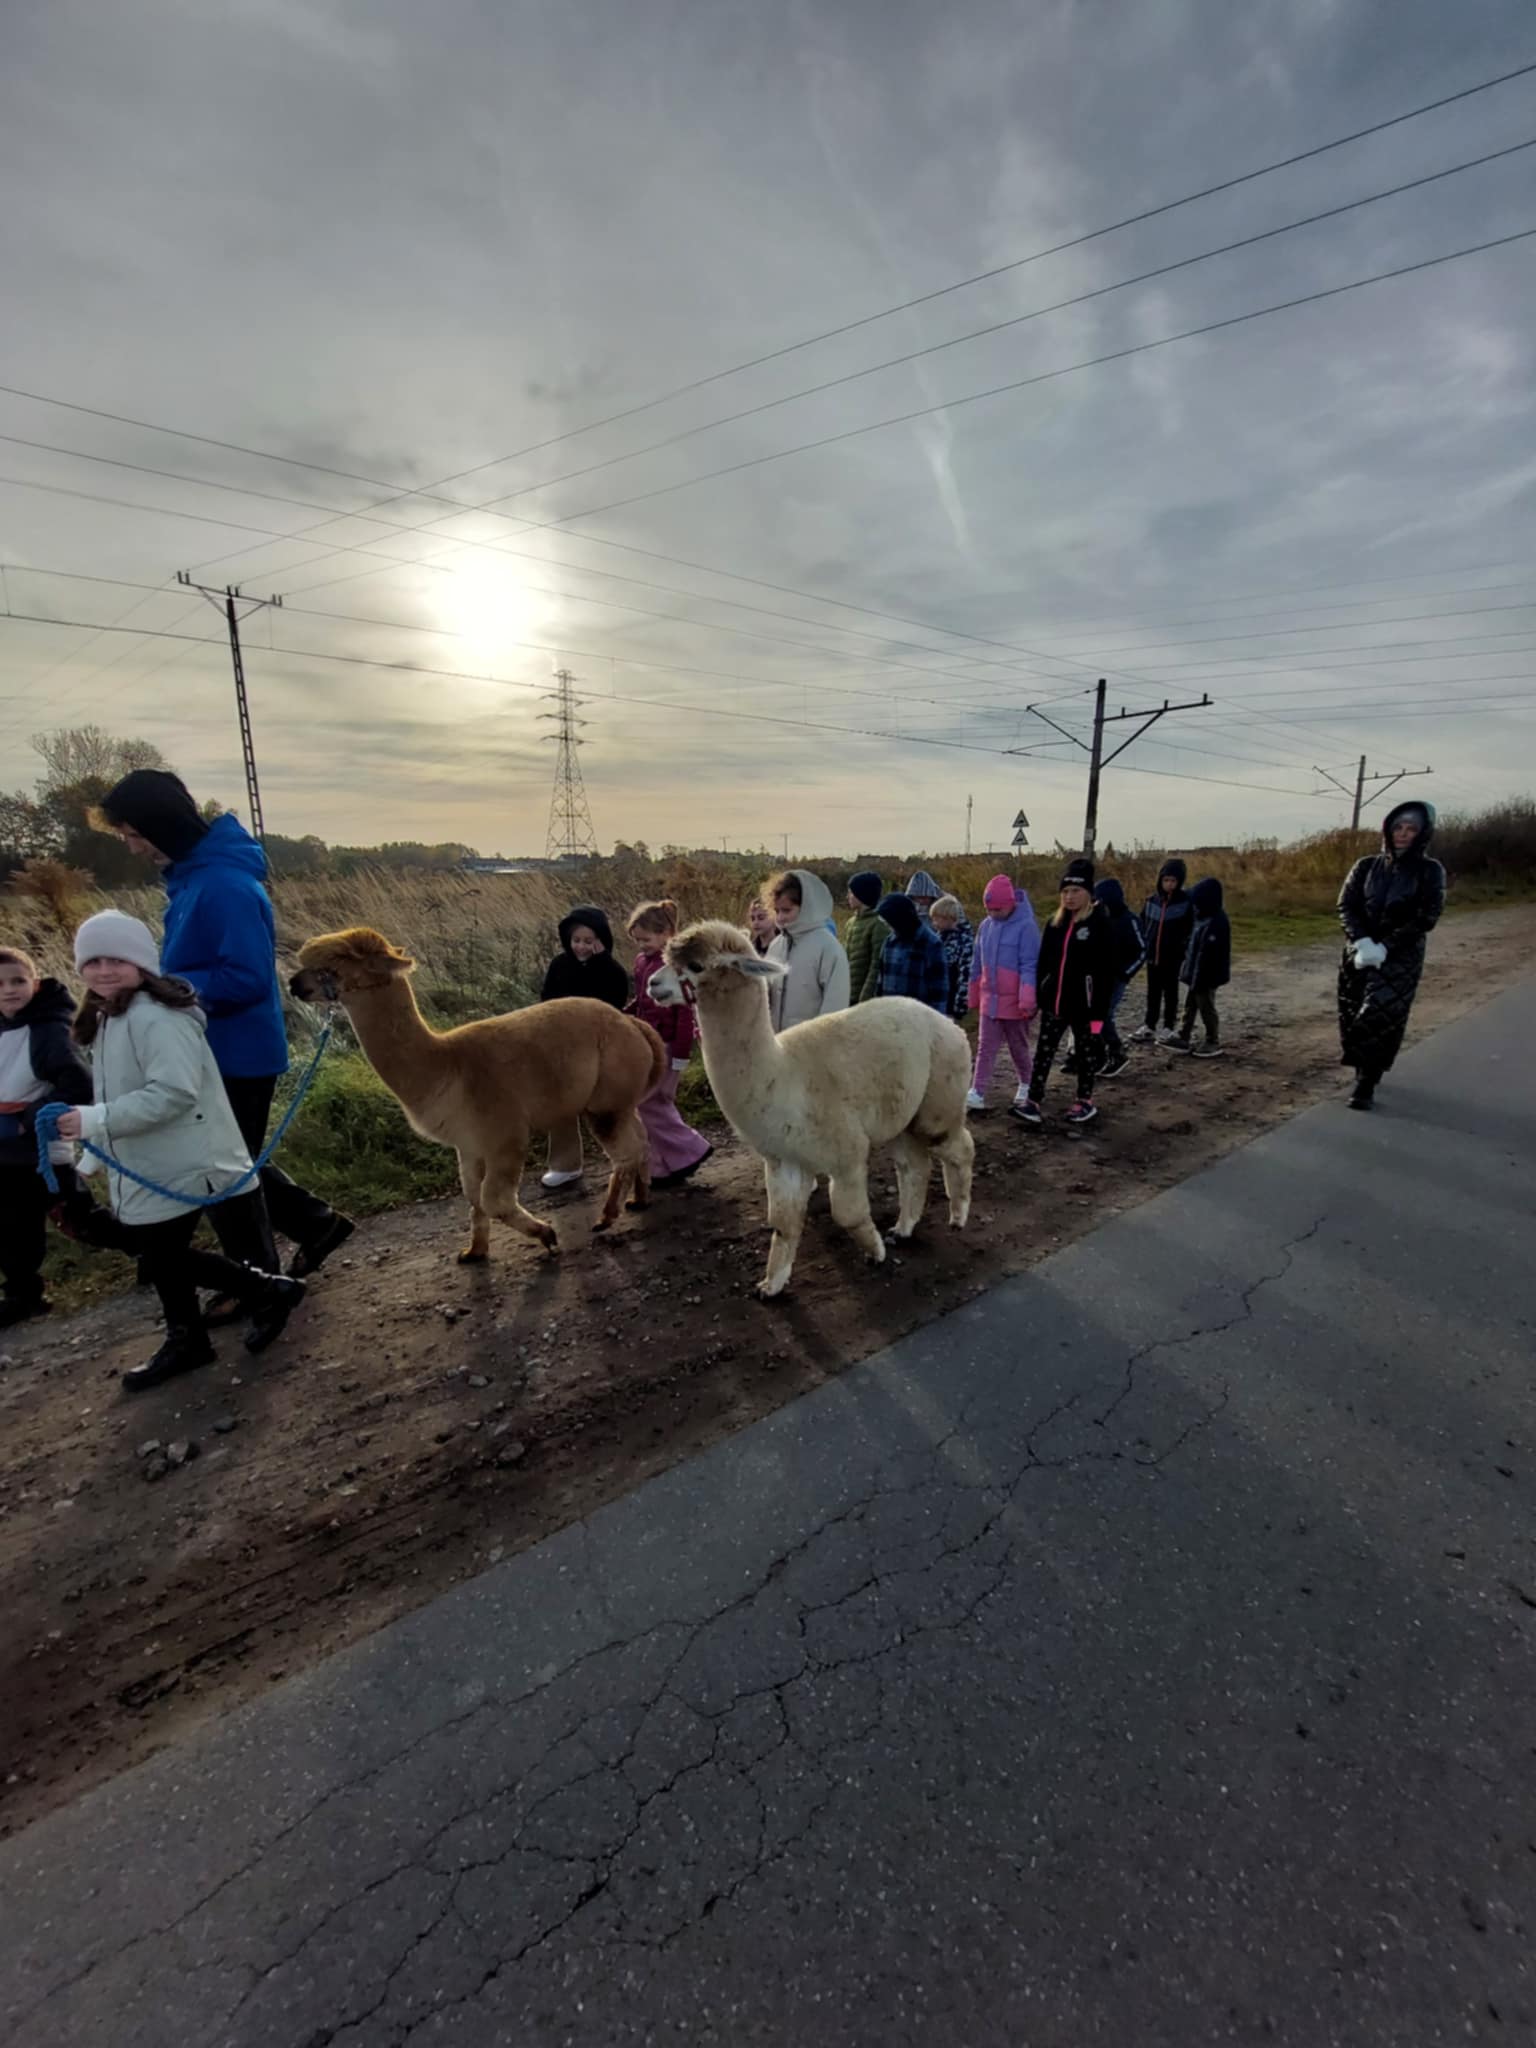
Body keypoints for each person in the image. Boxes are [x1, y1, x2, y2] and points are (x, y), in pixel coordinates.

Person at [97, 770, 353, 1289]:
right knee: (231, 1162)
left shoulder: (225, 886)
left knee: (223, 1173)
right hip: (208, 1050)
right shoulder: (192, 879)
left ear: (159, 825)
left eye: (132, 833)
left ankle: (257, 1285)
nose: (131, 846)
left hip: (240, 1055)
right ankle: (315, 1229)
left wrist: (158, 985)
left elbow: (247, 978)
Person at [54, 912, 305, 1391]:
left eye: (117, 960)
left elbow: (173, 1092)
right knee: (160, 1255)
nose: (105, 970)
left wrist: (92, 1122)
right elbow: (114, 1093)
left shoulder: (155, 1016)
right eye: (94, 961)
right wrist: (91, 1153)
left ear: (142, 964)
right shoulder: (111, 1016)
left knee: (161, 1255)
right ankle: (191, 1334)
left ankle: (266, 1290)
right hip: (150, 1159)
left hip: (188, 1156)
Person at [0, 947, 92, 1327]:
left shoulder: (48, 1030)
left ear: (34, 985)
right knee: (11, 1227)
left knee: (81, 1218)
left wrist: (30, 1118)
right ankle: (24, 1295)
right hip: (5, 1154)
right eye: (0, 984)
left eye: (18, 981)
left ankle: (154, 1254)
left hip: (40, 1152)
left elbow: (79, 1083)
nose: (9, 990)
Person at [1337, 800, 1446, 1110]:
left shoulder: (1430, 871)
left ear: (1423, 833)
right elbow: (1346, 905)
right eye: (1398, 826)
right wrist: (1360, 941)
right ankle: (1362, 1068)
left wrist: (1386, 946)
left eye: (1411, 828)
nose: (1403, 833)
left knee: (1381, 1014)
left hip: (1400, 956)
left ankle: (1366, 1082)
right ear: (1388, 828)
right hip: (1358, 952)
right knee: (1352, 1012)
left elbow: (1428, 915)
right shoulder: (1365, 866)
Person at [1015, 859, 1115, 1128]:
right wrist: (1038, 994)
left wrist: (1099, 1016)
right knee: (1044, 1053)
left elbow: (1106, 974)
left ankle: (1085, 1100)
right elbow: (1044, 963)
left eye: (1076, 892)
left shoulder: (1099, 924)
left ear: (1089, 894)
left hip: (1086, 1007)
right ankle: (1033, 1102)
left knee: (1086, 1054)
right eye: (1066, 892)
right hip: (1054, 1004)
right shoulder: (1054, 924)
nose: (1070, 897)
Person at [538, 905, 630, 1189]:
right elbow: (546, 1001)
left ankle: (629, 1157)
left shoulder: (612, 970)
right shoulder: (559, 965)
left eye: (588, 941)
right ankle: (565, 1165)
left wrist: (601, 963)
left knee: (605, 1107)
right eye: (577, 940)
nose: (581, 946)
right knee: (561, 1107)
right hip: (562, 1047)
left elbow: (615, 1001)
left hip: (598, 1048)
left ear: (600, 941)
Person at [626, 899, 713, 1188]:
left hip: (665, 1046)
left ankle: (691, 1150)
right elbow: (641, 998)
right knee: (646, 1105)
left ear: (666, 934)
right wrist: (624, 1014)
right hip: (645, 1043)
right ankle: (662, 1166)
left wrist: (679, 1056)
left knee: (654, 1102)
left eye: (647, 940)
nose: (642, 946)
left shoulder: (673, 967)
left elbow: (685, 1014)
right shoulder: (641, 963)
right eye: (637, 941)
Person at [965, 876, 1039, 1114]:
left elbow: (1030, 965)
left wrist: (1028, 998)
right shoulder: (985, 926)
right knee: (985, 1047)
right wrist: (974, 992)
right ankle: (977, 1090)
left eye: (998, 909)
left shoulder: (1026, 927)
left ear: (1010, 904)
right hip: (991, 1001)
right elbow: (977, 962)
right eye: (989, 909)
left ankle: (1027, 1083)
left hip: (1016, 1004)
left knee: (1019, 1047)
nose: (993, 913)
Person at [766, 871, 850, 1030]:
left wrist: (820, 1045)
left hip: (811, 1047)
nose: (780, 918)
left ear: (805, 907)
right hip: (777, 1045)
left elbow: (835, 1007)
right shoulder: (776, 946)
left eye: (786, 910)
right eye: (776, 911)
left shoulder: (829, 948)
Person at [1132, 859, 1194, 1044]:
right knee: (1153, 993)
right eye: (1166, 880)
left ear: (1180, 882)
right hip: (1152, 956)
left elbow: (1189, 930)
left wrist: (1182, 950)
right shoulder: (1151, 901)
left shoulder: (1185, 904)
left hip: (1172, 958)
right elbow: (1142, 924)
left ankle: (1168, 1026)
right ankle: (1149, 1025)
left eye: (1173, 881)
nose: (1169, 884)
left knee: (1171, 994)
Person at [1169, 878, 1231, 1059]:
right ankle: (1183, 1035)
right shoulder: (1200, 917)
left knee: (1206, 1007)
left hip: (1207, 975)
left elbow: (1209, 955)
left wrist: (1198, 976)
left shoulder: (1217, 922)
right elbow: (1194, 946)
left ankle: (1213, 1040)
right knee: (1190, 1005)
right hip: (1195, 972)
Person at [1092, 878, 1147, 1078]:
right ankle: (1099, 1053)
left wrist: (1126, 973)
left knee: (1104, 1015)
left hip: (1116, 978)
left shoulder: (1129, 921)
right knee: (1094, 1018)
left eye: (1101, 901)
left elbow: (1141, 951)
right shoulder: (1098, 918)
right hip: (1098, 977)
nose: (1097, 904)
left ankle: (1117, 1051)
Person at [873, 893, 950, 1011]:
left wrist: (936, 1024)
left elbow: (939, 991)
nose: (888, 926)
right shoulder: (890, 942)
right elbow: (880, 982)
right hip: (890, 1017)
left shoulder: (932, 944)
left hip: (919, 1019)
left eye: (890, 922)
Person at [928, 894, 974, 1022]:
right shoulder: (938, 937)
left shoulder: (964, 940)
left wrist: (960, 1003)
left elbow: (965, 972)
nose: (934, 923)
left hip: (951, 997)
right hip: (936, 996)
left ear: (949, 918)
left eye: (937, 919)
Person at [843, 871, 884, 1004]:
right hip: (847, 993)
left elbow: (875, 966)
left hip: (863, 1000)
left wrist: (865, 999)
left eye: (851, 892)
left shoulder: (878, 924)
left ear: (862, 895)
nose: (847, 896)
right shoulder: (850, 923)